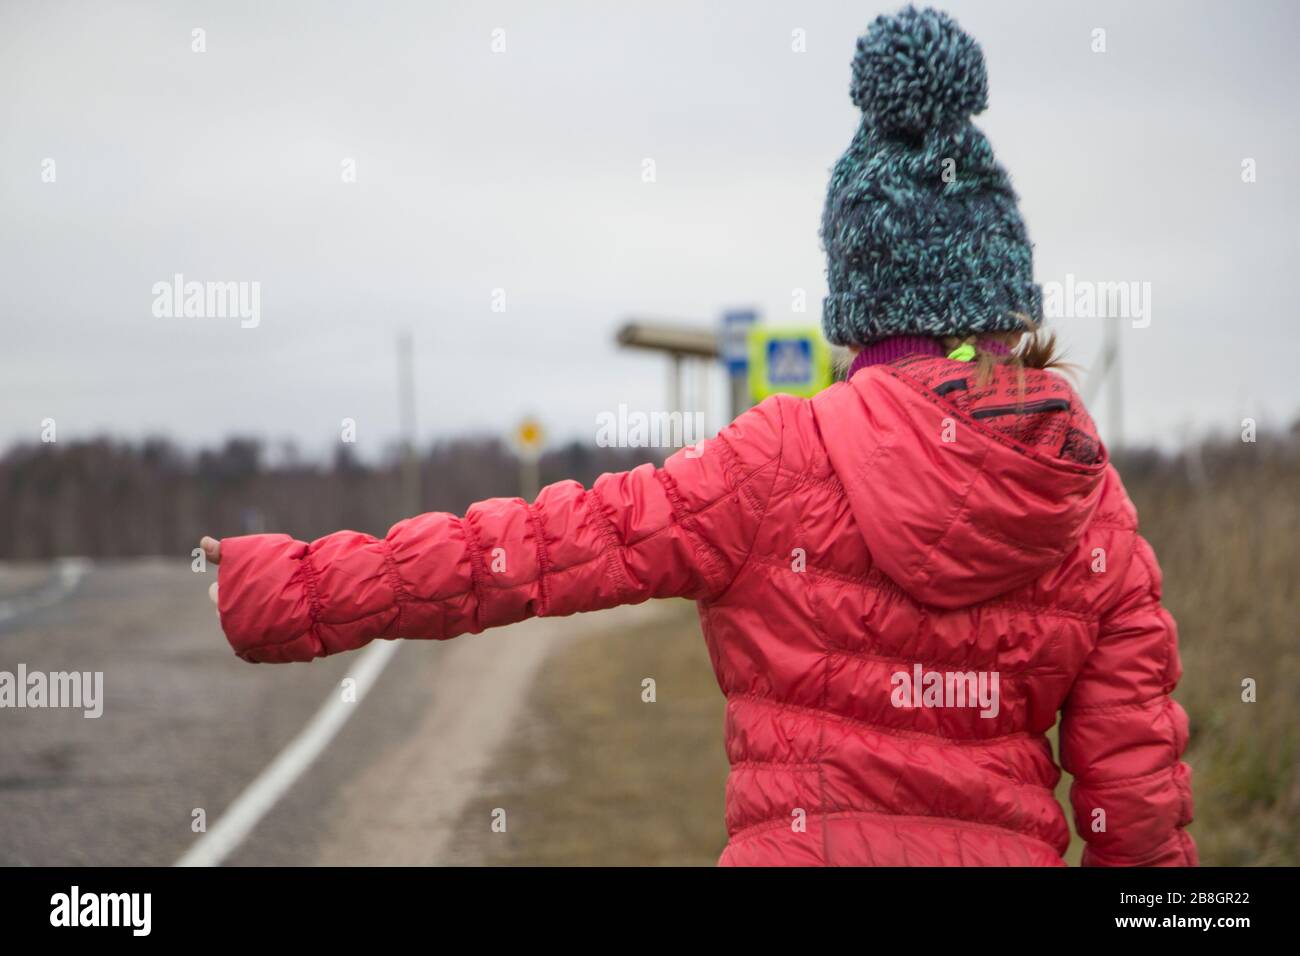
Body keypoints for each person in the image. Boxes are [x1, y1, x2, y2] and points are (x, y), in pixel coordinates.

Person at [202, 6, 1195, 866]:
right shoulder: (1087, 504)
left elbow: (522, 554)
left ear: (857, 298)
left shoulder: (771, 462)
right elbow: (1136, 805)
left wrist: (284, 583)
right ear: (1005, 302)